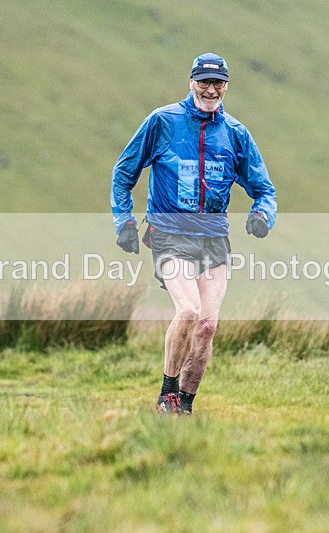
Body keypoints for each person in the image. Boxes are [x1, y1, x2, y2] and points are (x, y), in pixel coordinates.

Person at [110, 53, 277, 414]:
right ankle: (166, 394)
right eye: (204, 81)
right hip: (169, 232)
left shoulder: (235, 134)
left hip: (214, 238)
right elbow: (123, 173)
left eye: (218, 83)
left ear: (226, 86)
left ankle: (184, 404)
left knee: (207, 325)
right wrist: (123, 221)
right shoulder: (162, 122)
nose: (211, 89)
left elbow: (265, 189)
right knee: (188, 310)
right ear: (191, 82)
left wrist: (263, 214)